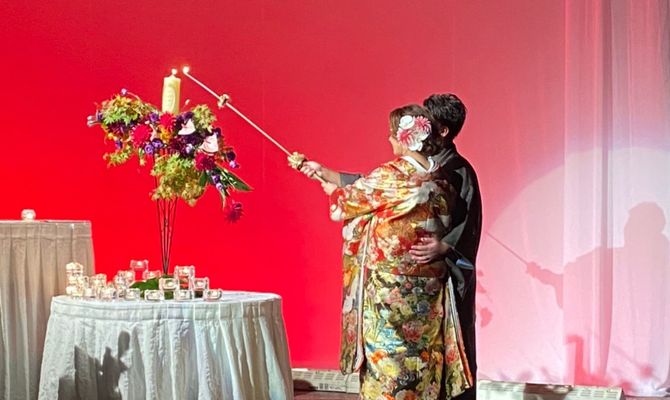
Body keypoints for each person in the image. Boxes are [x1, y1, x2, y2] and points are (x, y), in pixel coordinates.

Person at [299, 94, 482, 400]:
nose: (389, 141)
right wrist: (328, 174)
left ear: (405, 139)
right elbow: (374, 190)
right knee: (423, 357)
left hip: (389, 290)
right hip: (428, 289)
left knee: (389, 361)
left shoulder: (396, 175)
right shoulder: (441, 178)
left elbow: (349, 200)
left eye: (392, 136)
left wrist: (331, 189)